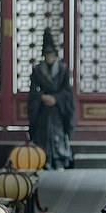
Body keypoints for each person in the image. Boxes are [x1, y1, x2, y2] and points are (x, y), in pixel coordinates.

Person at [28, 28, 75, 170]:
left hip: (58, 108)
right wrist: (42, 97)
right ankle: (44, 160)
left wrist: (56, 98)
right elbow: (33, 90)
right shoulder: (37, 70)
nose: (49, 57)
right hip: (43, 108)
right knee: (43, 134)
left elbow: (67, 90)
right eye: (47, 54)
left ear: (55, 55)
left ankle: (60, 159)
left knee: (58, 134)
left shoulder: (62, 69)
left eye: (51, 54)